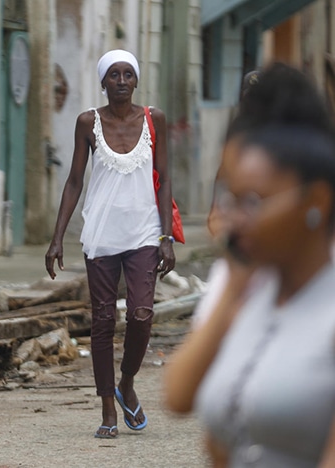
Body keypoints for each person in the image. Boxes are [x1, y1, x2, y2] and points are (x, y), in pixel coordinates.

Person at [163, 64, 335, 467]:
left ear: (317, 201)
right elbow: (179, 396)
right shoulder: (242, 284)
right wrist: (235, 290)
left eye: (254, 202)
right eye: (231, 199)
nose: (235, 219)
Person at [45, 49, 174, 439]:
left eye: (127, 74)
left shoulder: (155, 120)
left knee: (141, 314)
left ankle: (128, 382)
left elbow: (164, 178)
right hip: (100, 235)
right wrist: (56, 239)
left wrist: (166, 237)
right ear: (103, 82)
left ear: (136, 81)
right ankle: (107, 408)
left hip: (143, 234)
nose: (121, 80)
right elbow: (74, 182)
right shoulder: (88, 122)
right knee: (102, 321)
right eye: (113, 75)